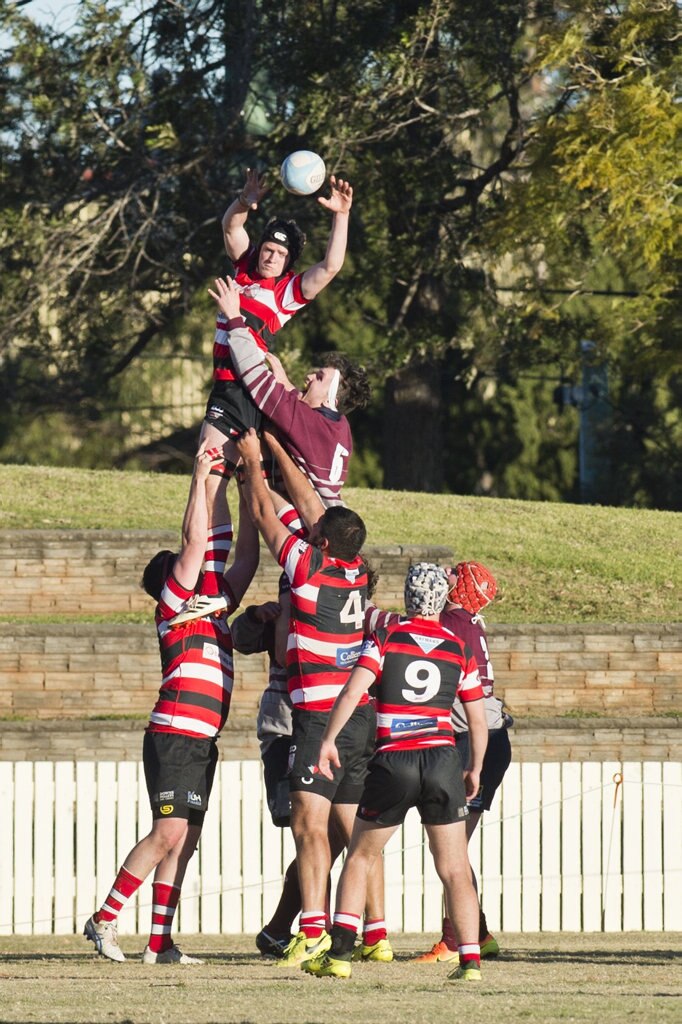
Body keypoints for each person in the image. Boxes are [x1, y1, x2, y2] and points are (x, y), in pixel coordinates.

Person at [83, 445, 259, 964]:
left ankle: (159, 943)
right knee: (168, 833)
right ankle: (105, 918)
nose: (202, 568)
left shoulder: (213, 603)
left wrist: (245, 489)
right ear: (171, 578)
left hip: (202, 738)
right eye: (188, 567)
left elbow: (245, 555)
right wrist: (203, 474)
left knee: (184, 841)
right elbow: (196, 539)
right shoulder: (176, 603)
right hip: (177, 731)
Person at [235, 427, 391, 968]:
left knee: (309, 826)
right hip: (359, 714)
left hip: (319, 714)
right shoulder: (354, 569)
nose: (310, 522)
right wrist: (279, 448)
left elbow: (263, 512)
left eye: (317, 527)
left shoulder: (308, 566)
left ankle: (314, 932)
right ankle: (374, 933)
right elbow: (308, 503)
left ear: (322, 539)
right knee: (351, 829)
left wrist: (253, 463)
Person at [303, 563, 488, 982]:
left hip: (394, 760)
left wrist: (328, 739)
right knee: (455, 868)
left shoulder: (385, 637)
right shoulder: (459, 647)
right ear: (442, 600)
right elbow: (477, 720)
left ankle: (341, 955)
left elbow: (353, 690)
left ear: (408, 597)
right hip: (442, 759)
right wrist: (474, 766)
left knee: (361, 855)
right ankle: (471, 962)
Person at [199, 168, 355, 515]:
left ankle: (208, 569)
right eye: (268, 249)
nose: (271, 257)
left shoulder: (285, 293)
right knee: (239, 494)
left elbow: (330, 267)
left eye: (280, 255)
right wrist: (244, 200)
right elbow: (231, 227)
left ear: (288, 263)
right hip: (231, 387)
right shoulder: (243, 269)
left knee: (209, 479)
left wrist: (341, 216)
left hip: (240, 388)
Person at [412, 560, 512, 963]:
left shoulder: (451, 622)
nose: (446, 577)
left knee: (452, 849)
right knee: (453, 847)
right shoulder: (467, 622)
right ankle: (479, 933)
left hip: (474, 742)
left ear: (462, 587)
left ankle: (455, 940)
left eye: (454, 575)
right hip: (481, 738)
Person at [209, 274, 370, 506]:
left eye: (319, 377)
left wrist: (234, 317)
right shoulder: (339, 425)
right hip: (329, 512)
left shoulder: (306, 420)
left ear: (330, 399)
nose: (309, 376)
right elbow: (304, 417)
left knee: (252, 502)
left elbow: (254, 375)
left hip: (309, 523)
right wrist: (287, 385)